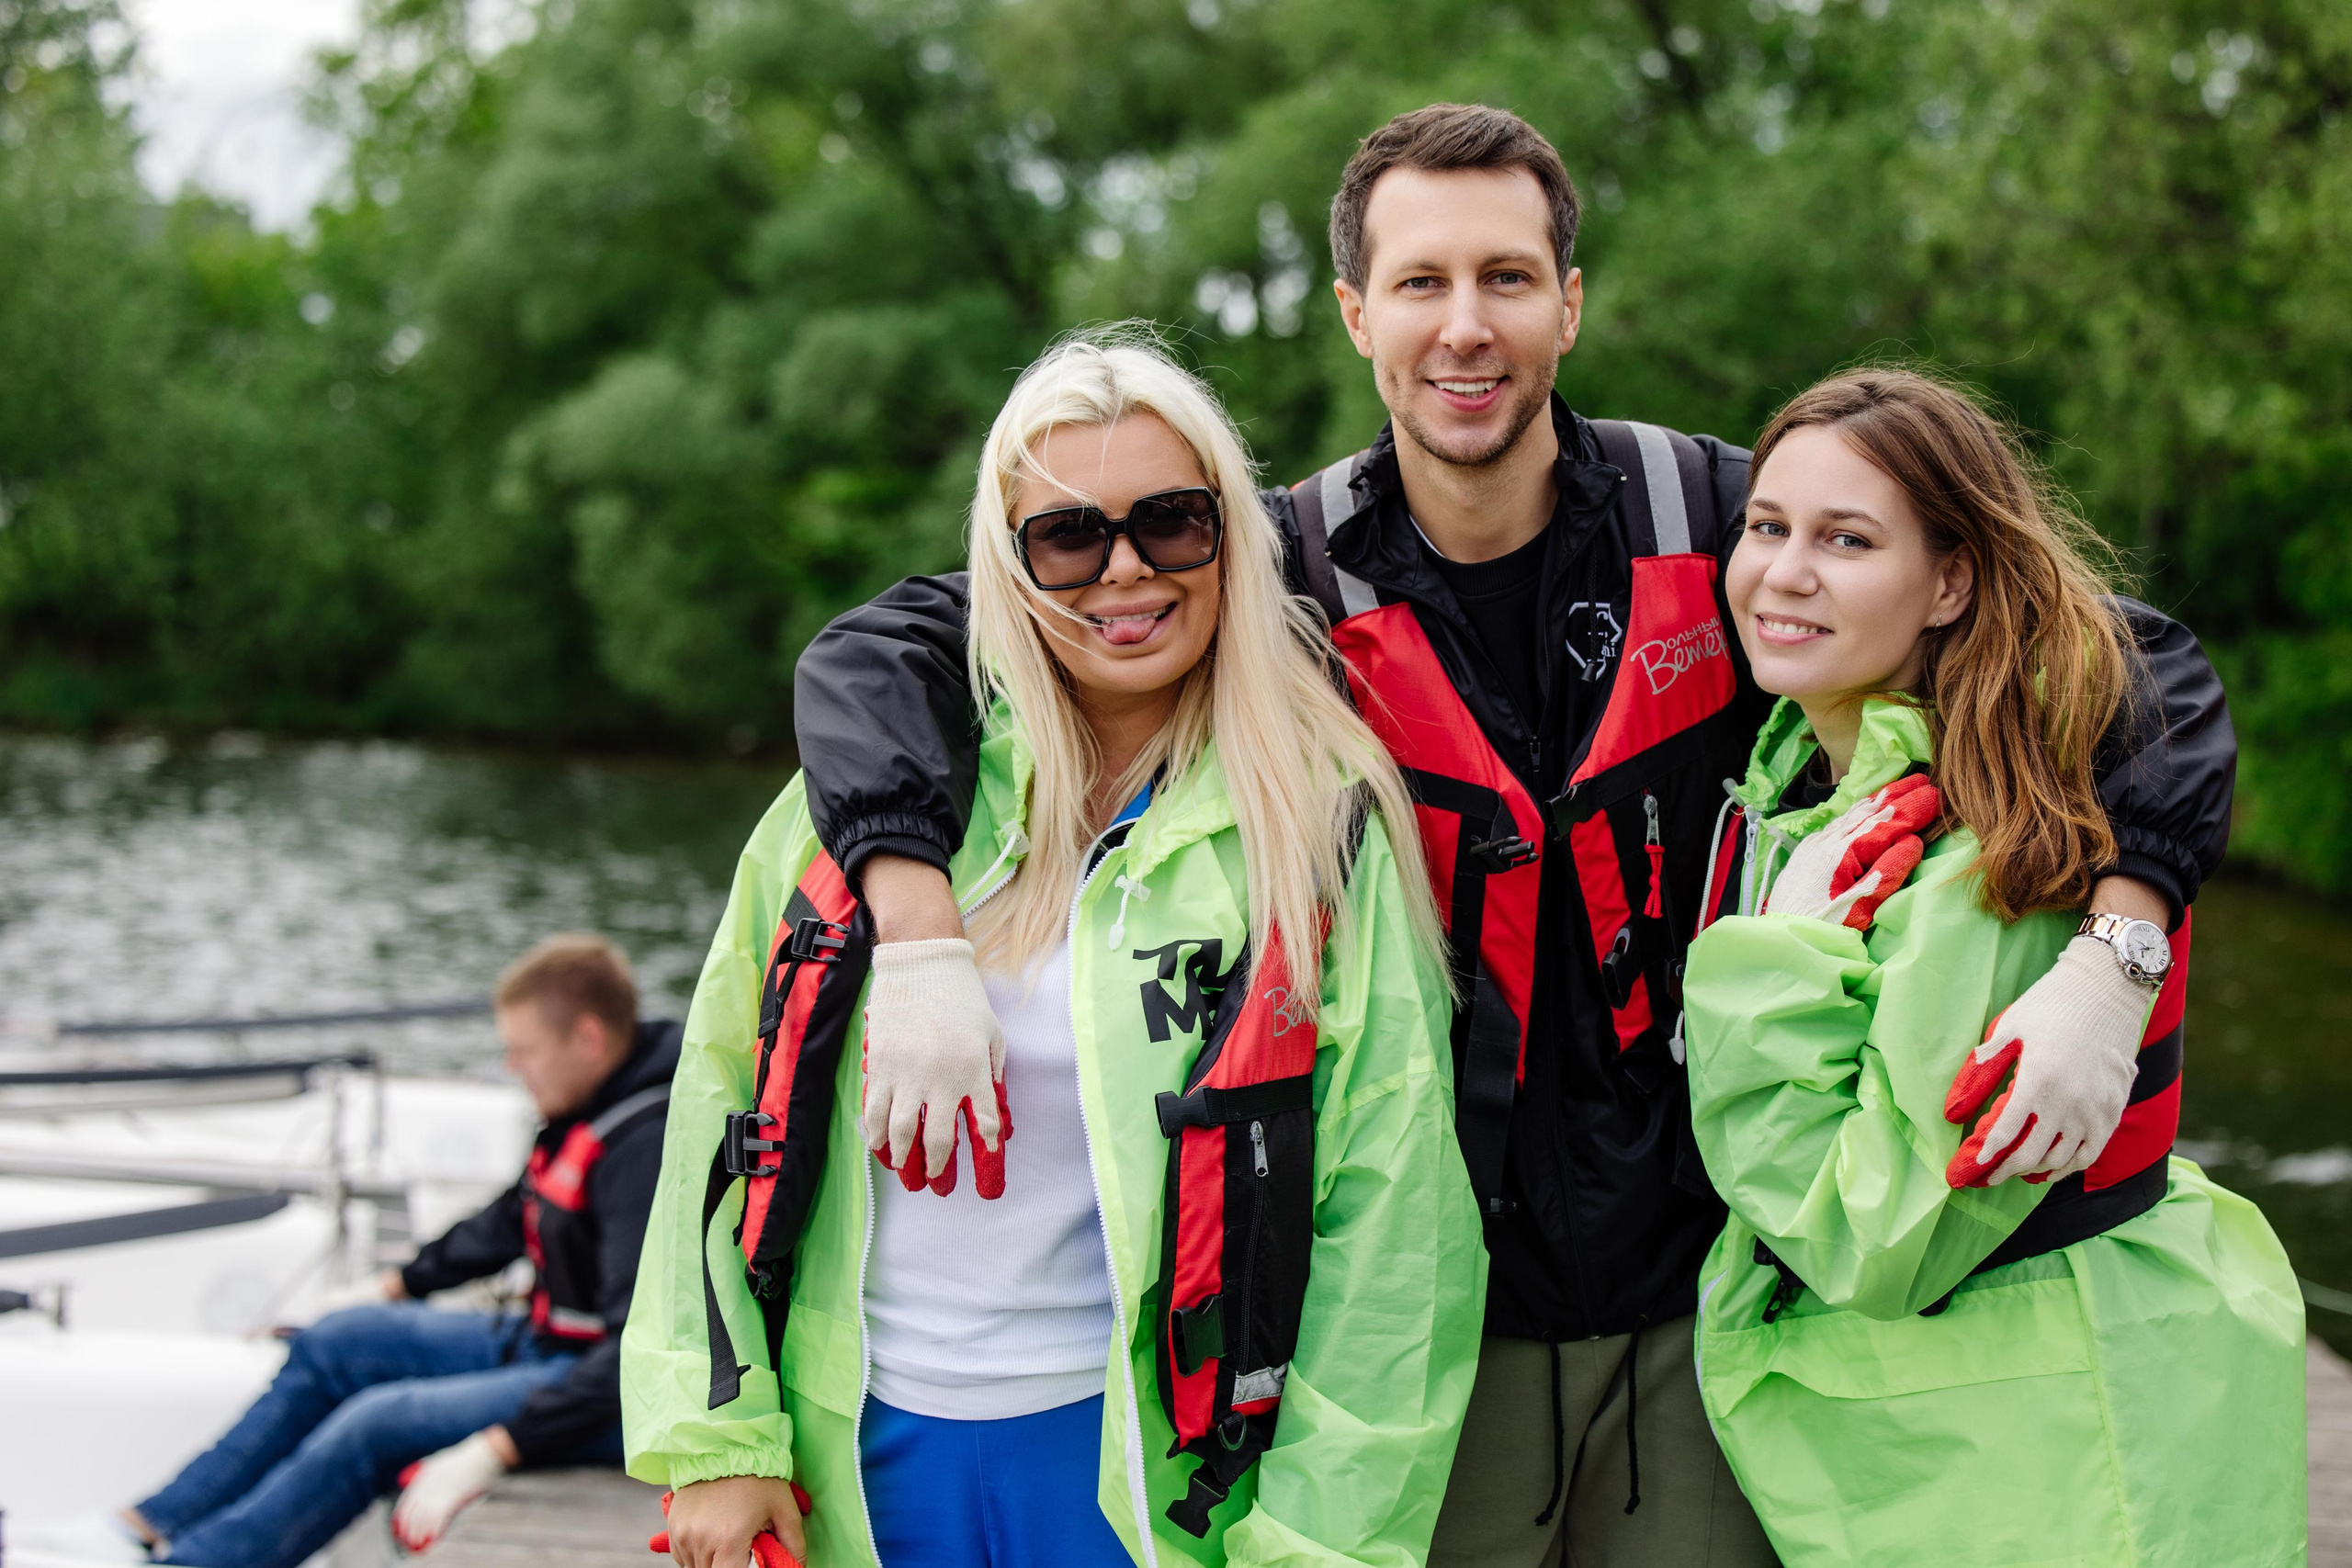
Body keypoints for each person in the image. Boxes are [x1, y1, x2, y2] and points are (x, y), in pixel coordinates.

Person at [782, 105, 2237, 1564]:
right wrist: (916, 935)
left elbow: (2132, 660)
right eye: (1420, 283)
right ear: (1356, 315)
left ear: (1570, 303)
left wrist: (2118, 955)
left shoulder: (1727, 522)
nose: (1464, 328)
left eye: (1507, 278)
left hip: (1701, 1302)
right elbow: (891, 649)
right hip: (1432, 1327)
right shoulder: (1271, 575)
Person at [622, 332, 1482, 1568]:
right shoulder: (866, 812)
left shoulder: (1320, 823)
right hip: (851, 1461)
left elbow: (1393, 1232)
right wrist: (719, 1433)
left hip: (1146, 1484)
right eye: (1069, 536)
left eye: (1174, 522)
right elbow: (715, 1112)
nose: (1124, 572)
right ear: (1007, 562)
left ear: (1231, 536)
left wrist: (1318, 1546)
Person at [1679, 367, 2304, 1567]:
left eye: (1847, 539)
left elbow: (1874, 1231)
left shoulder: (1983, 855)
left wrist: (1763, 957)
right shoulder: (1805, 779)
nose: (1785, 570)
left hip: (2050, 1450)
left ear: (1950, 579)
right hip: (1973, 1442)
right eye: (1768, 526)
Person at [17, 934, 680, 1568]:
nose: (512, 1068)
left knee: (378, 1421)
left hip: (613, 1397)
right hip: (552, 1346)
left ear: (587, 1038)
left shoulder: (642, 1151)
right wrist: (394, 1286)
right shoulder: (594, 1104)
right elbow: (510, 1219)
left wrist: (494, 1449)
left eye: (523, 1050)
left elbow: (634, 1362)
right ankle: (140, 1528)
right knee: (341, 1339)